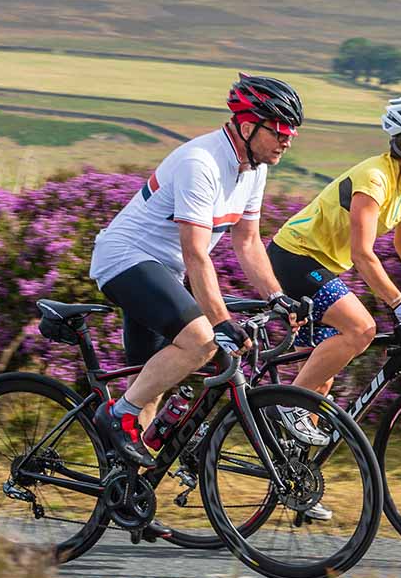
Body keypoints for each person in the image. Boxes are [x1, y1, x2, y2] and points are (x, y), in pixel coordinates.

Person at [88, 75, 306, 466]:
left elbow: (248, 242)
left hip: (163, 270)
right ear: (246, 126)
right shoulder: (200, 162)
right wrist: (220, 321)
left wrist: (277, 296)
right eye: (280, 131)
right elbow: (195, 253)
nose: (287, 141)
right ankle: (116, 416)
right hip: (126, 258)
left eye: (291, 133)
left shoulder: (254, 168)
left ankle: (126, 491)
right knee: (203, 341)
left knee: (154, 381)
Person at [264, 96, 401, 444]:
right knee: (360, 328)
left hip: (323, 266)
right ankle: (283, 404)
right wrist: (399, 303)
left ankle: (295, 481)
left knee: (321, 377)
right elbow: (362, 254)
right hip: (295, 257)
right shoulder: (374, 179)